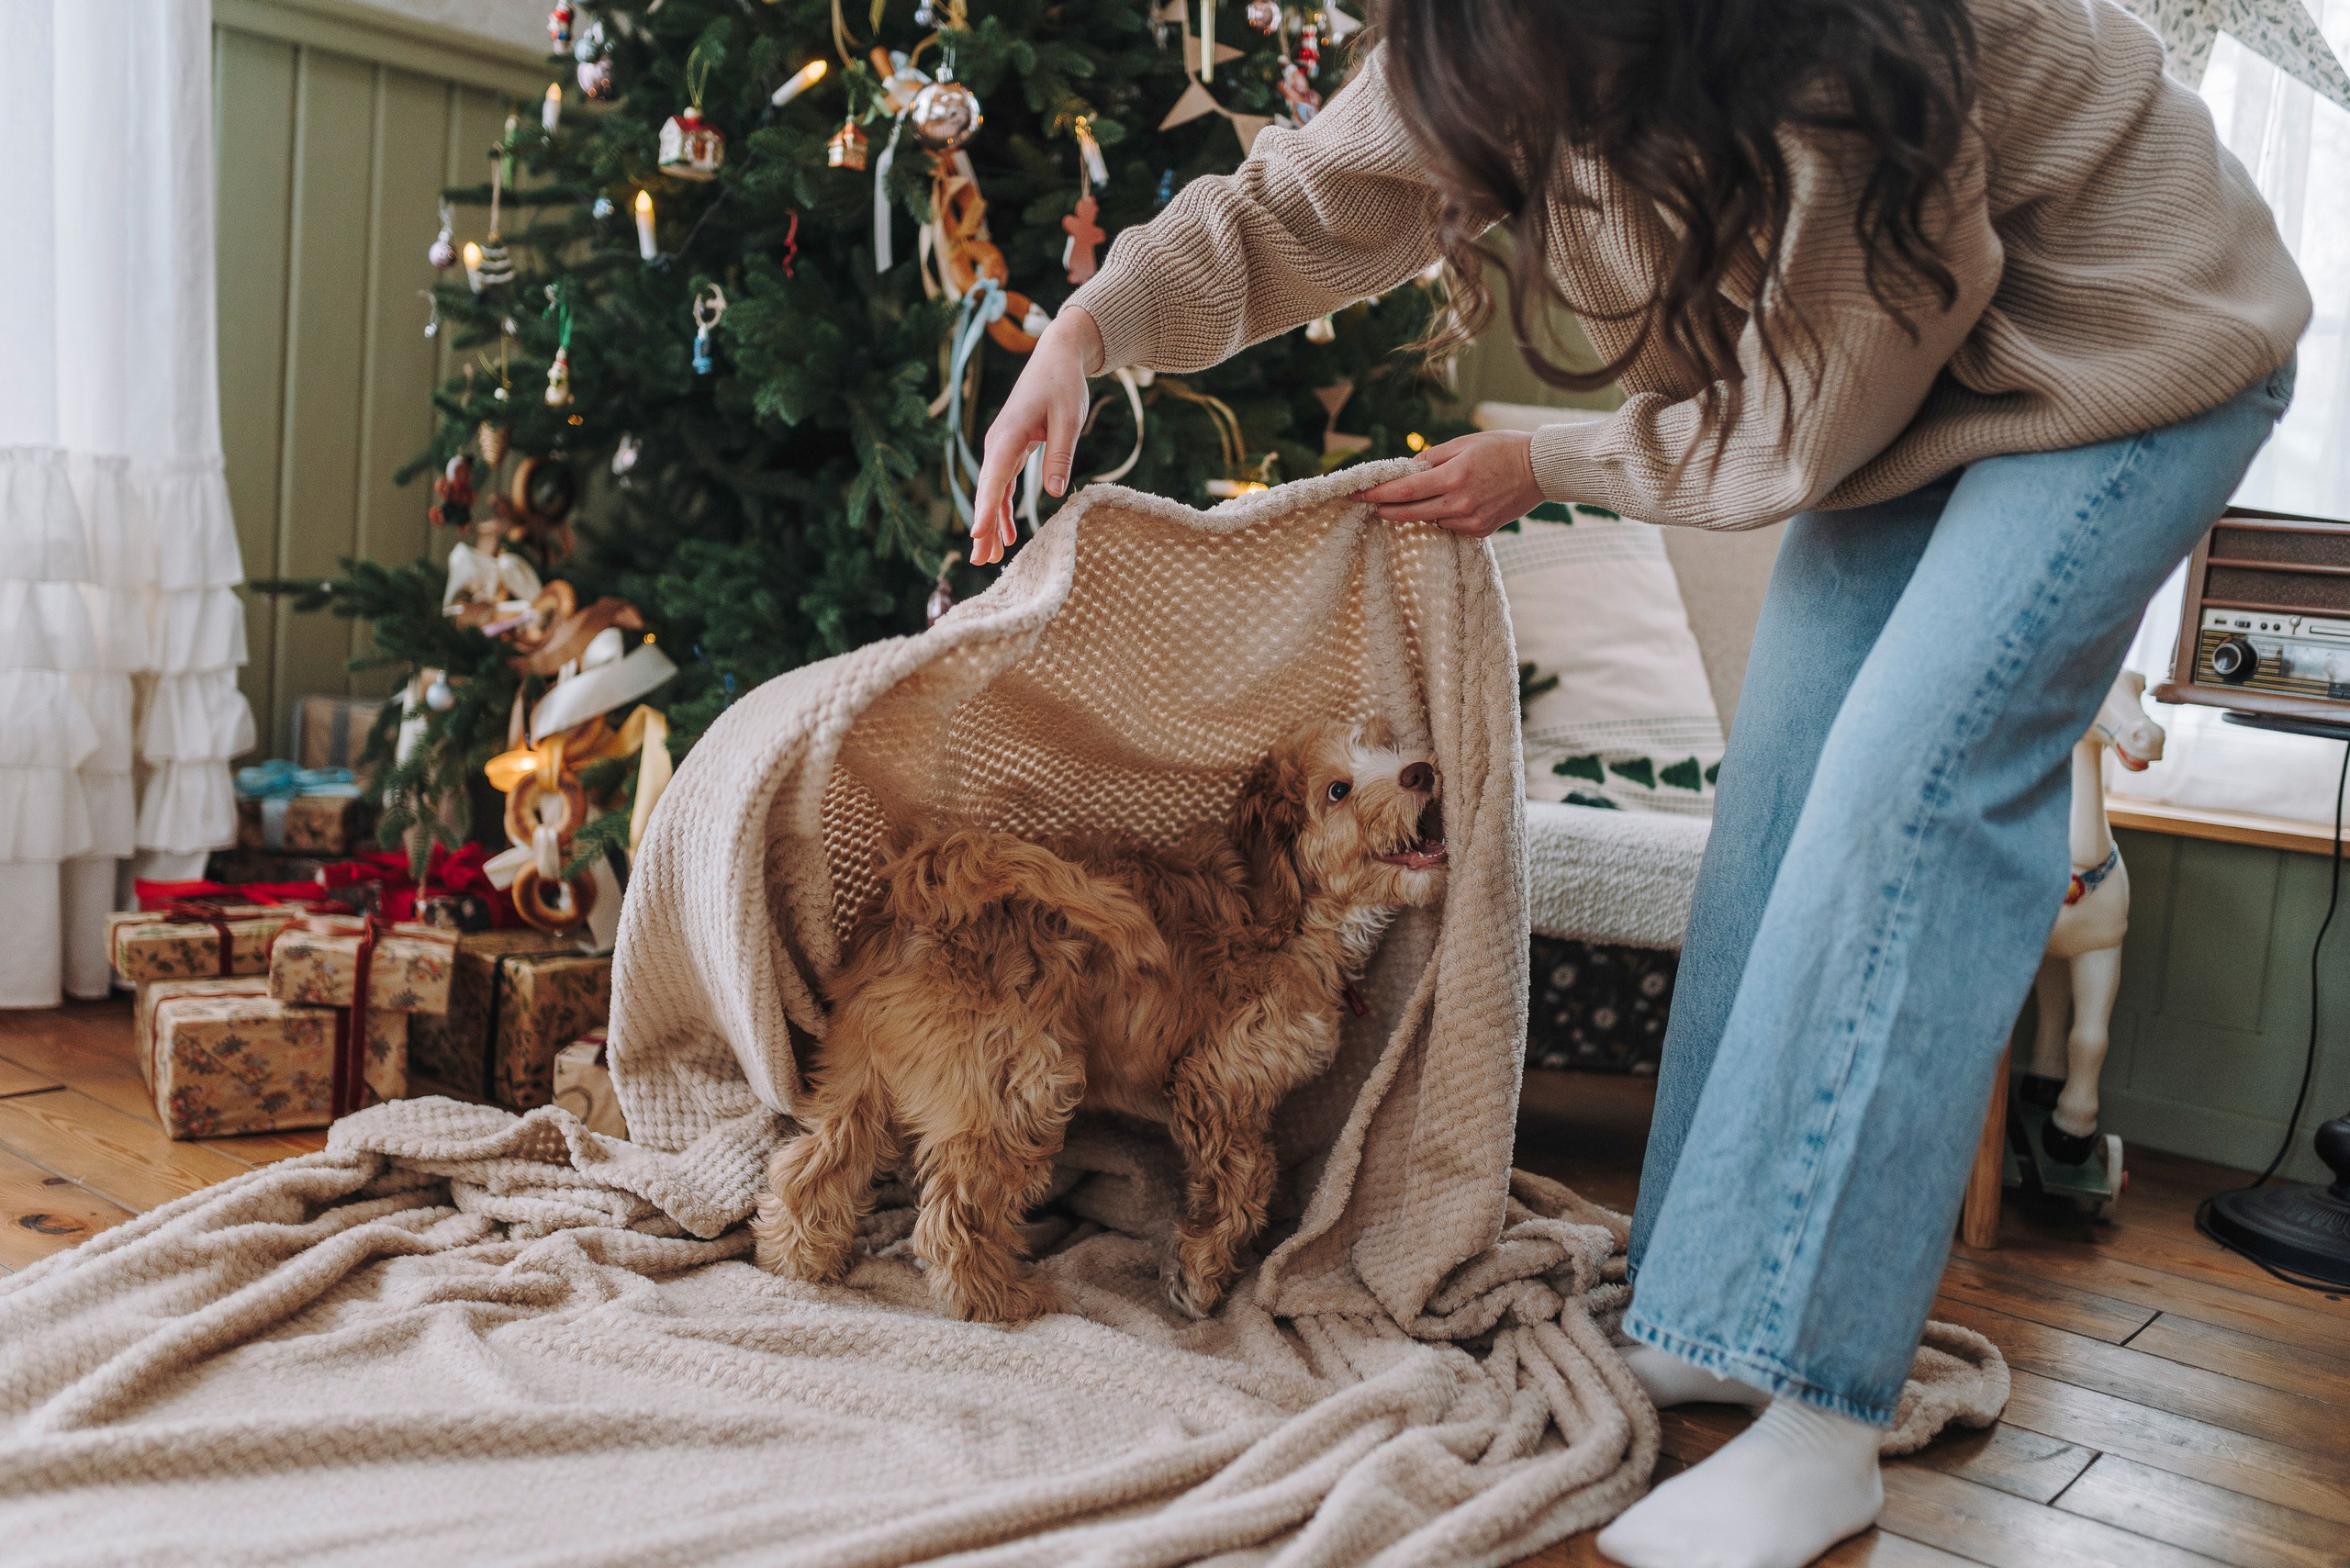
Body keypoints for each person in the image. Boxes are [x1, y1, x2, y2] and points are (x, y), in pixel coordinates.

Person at [970, 1, 2307, 1563]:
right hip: (1917, 389)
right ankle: (1705, 1306)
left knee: (1907, 796)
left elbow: (1803, 425)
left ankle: (1821, 1410)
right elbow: (1316, 193)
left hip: (2134, 348)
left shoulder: (1826, 71)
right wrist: (1095, 325)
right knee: (1784, 796)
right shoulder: (1490, 35)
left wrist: (1556, 463)